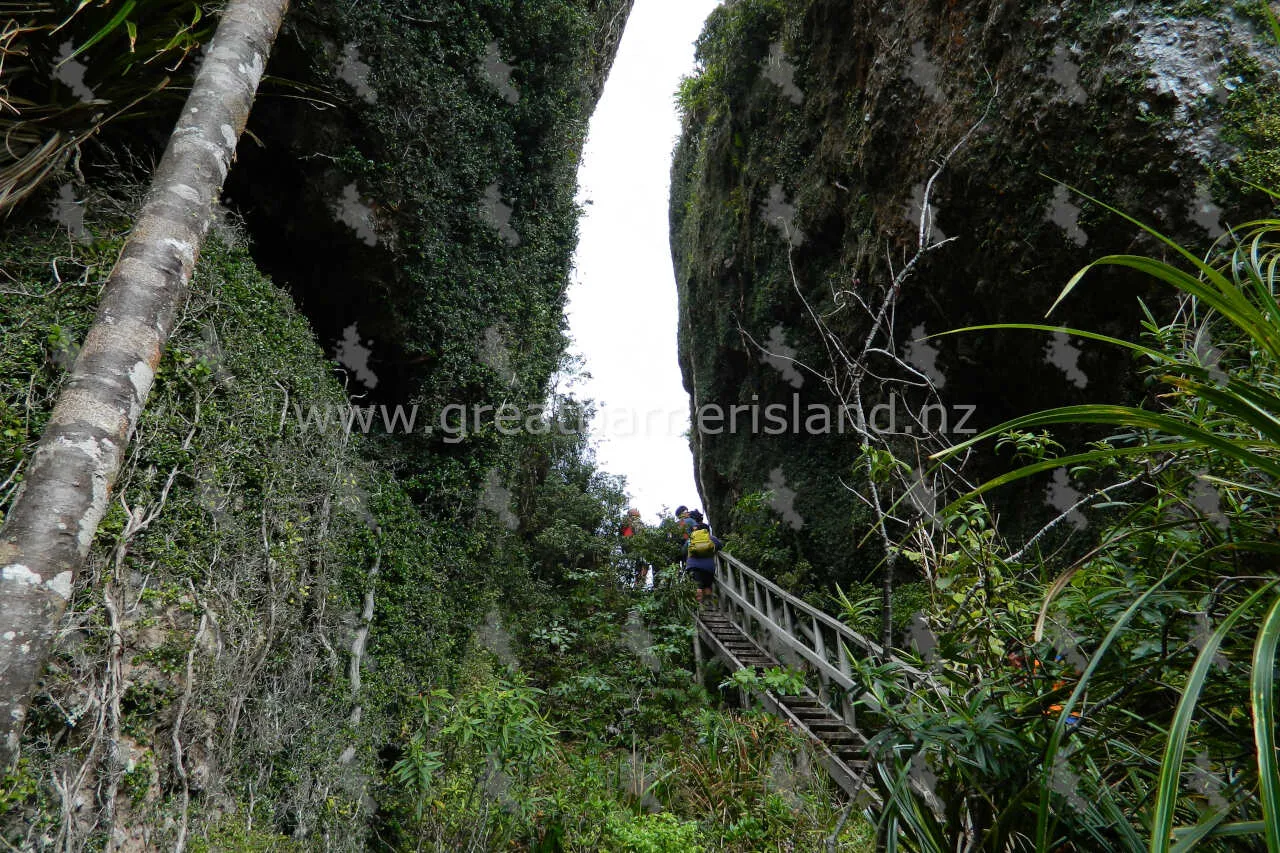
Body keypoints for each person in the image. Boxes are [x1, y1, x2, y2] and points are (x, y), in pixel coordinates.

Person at [683, 521, 722, 607]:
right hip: (709, 568)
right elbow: (720, 546)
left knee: (697, 587)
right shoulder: (712, 539)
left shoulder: (691, 539)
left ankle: (699, 606)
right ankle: (709, 605)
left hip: (694, 567)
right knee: (707, 586)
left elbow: (683, 551)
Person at [620, 508, 649, 588]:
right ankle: (638, 586)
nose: (638, 511)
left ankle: (635, 585)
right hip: (638, 548)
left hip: (628, 549)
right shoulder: (636, 521)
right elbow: (641, 536)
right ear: (633, 513)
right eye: (636, 510)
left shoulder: (626, 522)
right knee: (643, 566)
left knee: (637, 568)